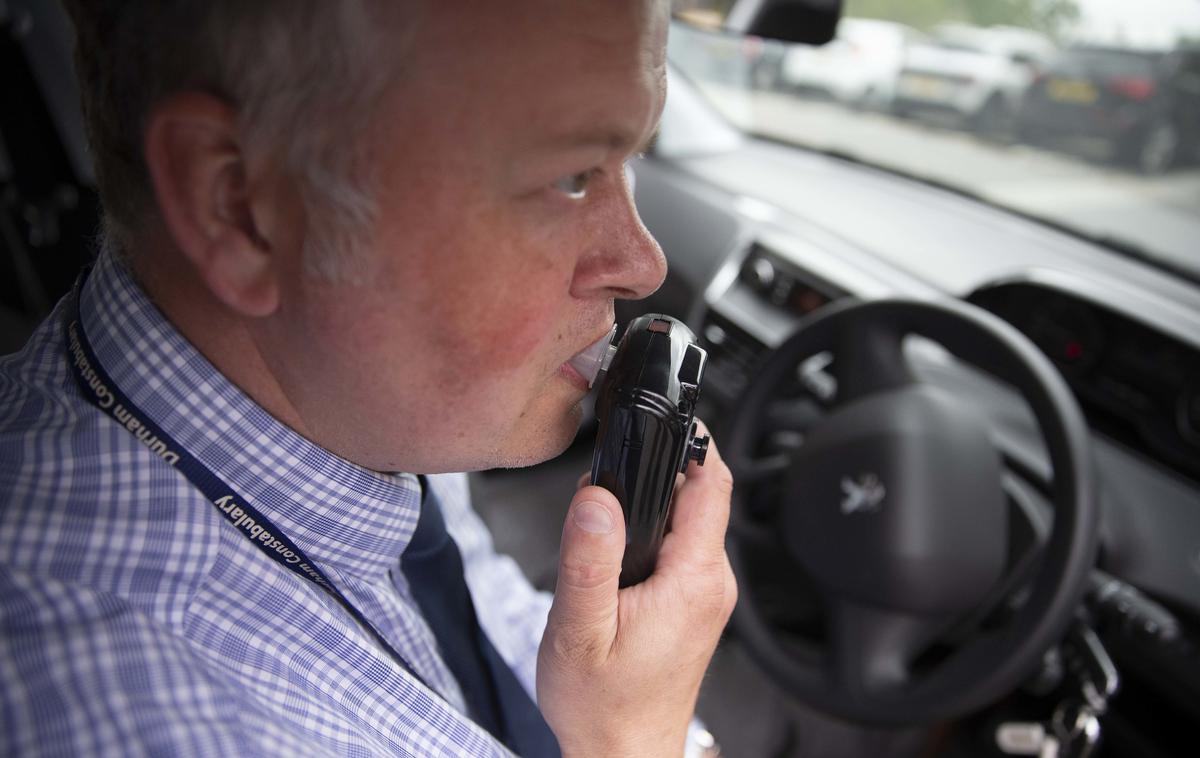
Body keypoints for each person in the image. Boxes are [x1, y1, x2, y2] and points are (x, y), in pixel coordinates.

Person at [0, 0, 737, 756]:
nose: (643, 265)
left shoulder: (363, 398)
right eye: (571, 175)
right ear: (242, 208)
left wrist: (635, 696)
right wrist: (633, 739)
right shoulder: (150, 723)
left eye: (631, 160)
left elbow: (481, 599)